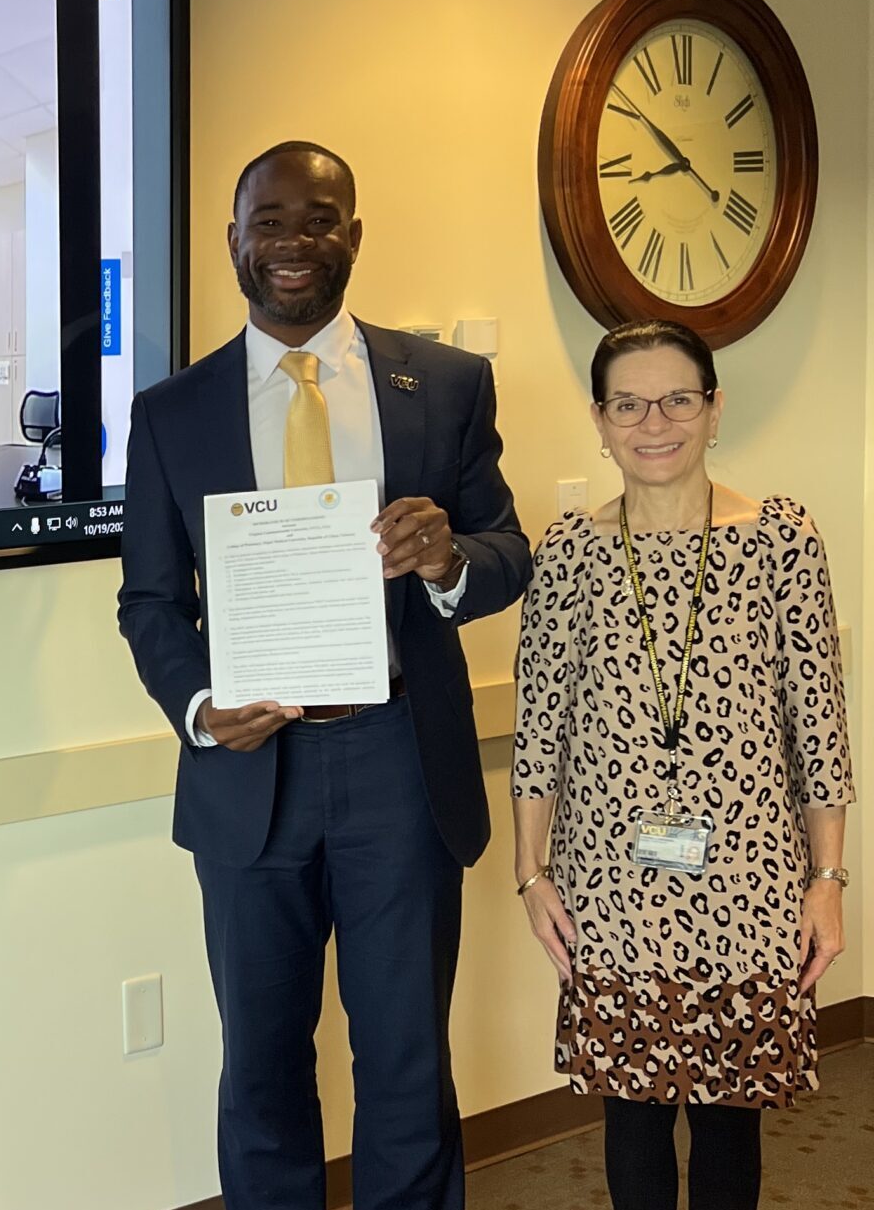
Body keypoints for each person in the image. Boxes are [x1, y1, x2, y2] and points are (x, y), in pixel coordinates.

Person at [116, 142, 530, 1210]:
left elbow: (507, 551)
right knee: (260, 1067)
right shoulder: (172, 412)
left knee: (404, 1064)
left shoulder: (441, 384)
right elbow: (151, 602)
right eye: (271, 220)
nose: (293, 243)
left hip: (400, 760)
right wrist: (201, 707)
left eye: (319, 219)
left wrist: (448, 559)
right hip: (252, 773)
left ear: (354, 234)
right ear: (234, 241)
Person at [513, 319, 853, 1210]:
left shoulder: (780, 539)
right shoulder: (570, 553)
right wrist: (531, 873)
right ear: (599, 417)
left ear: (713, 409)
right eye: (627, 402)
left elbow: (819, 727)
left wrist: (827, 880)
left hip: (750, 881)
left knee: (732, 1120)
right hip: (612, 883)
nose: (652, 421)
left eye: (677, 398)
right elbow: (538, 728)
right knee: (629, 1113)